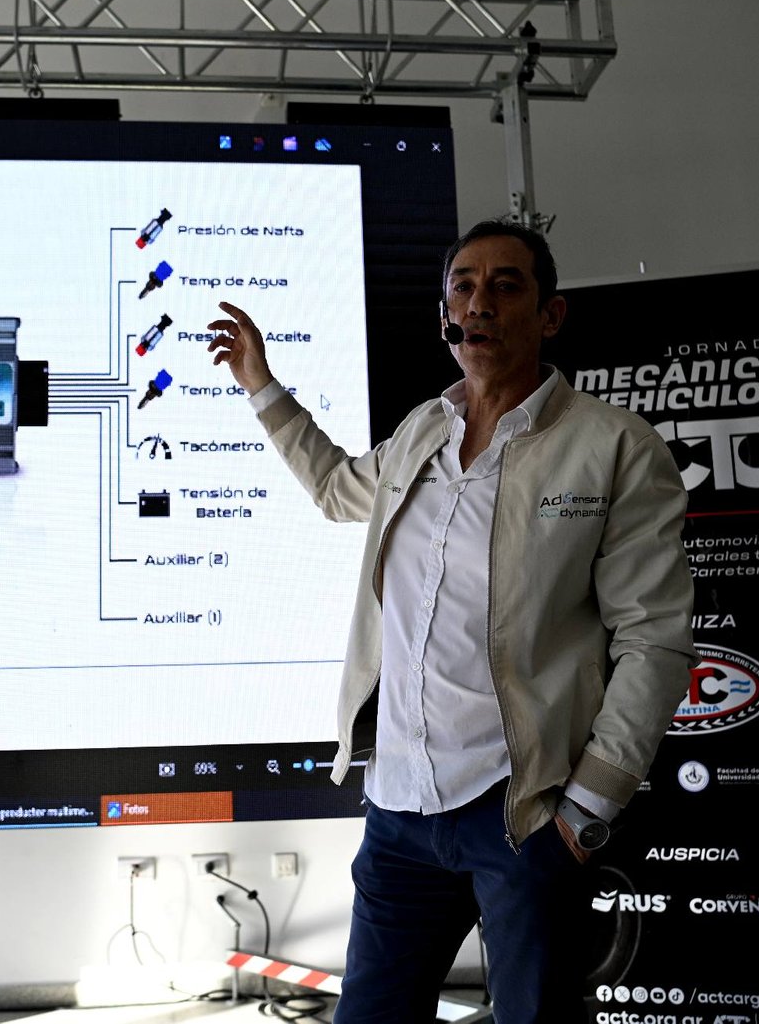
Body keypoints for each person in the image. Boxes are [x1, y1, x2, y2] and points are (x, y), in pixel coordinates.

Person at [204, 219, 697, 1023]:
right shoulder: (420, 433)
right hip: (399, 811)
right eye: (463, 286)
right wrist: (260, 383)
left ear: (550, 314)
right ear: (446, 314)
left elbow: (655, 639)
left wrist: (585, 811)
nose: (480, 302)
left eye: (506, 285)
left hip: (522, 813)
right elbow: (334, 489)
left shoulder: (614, 447)